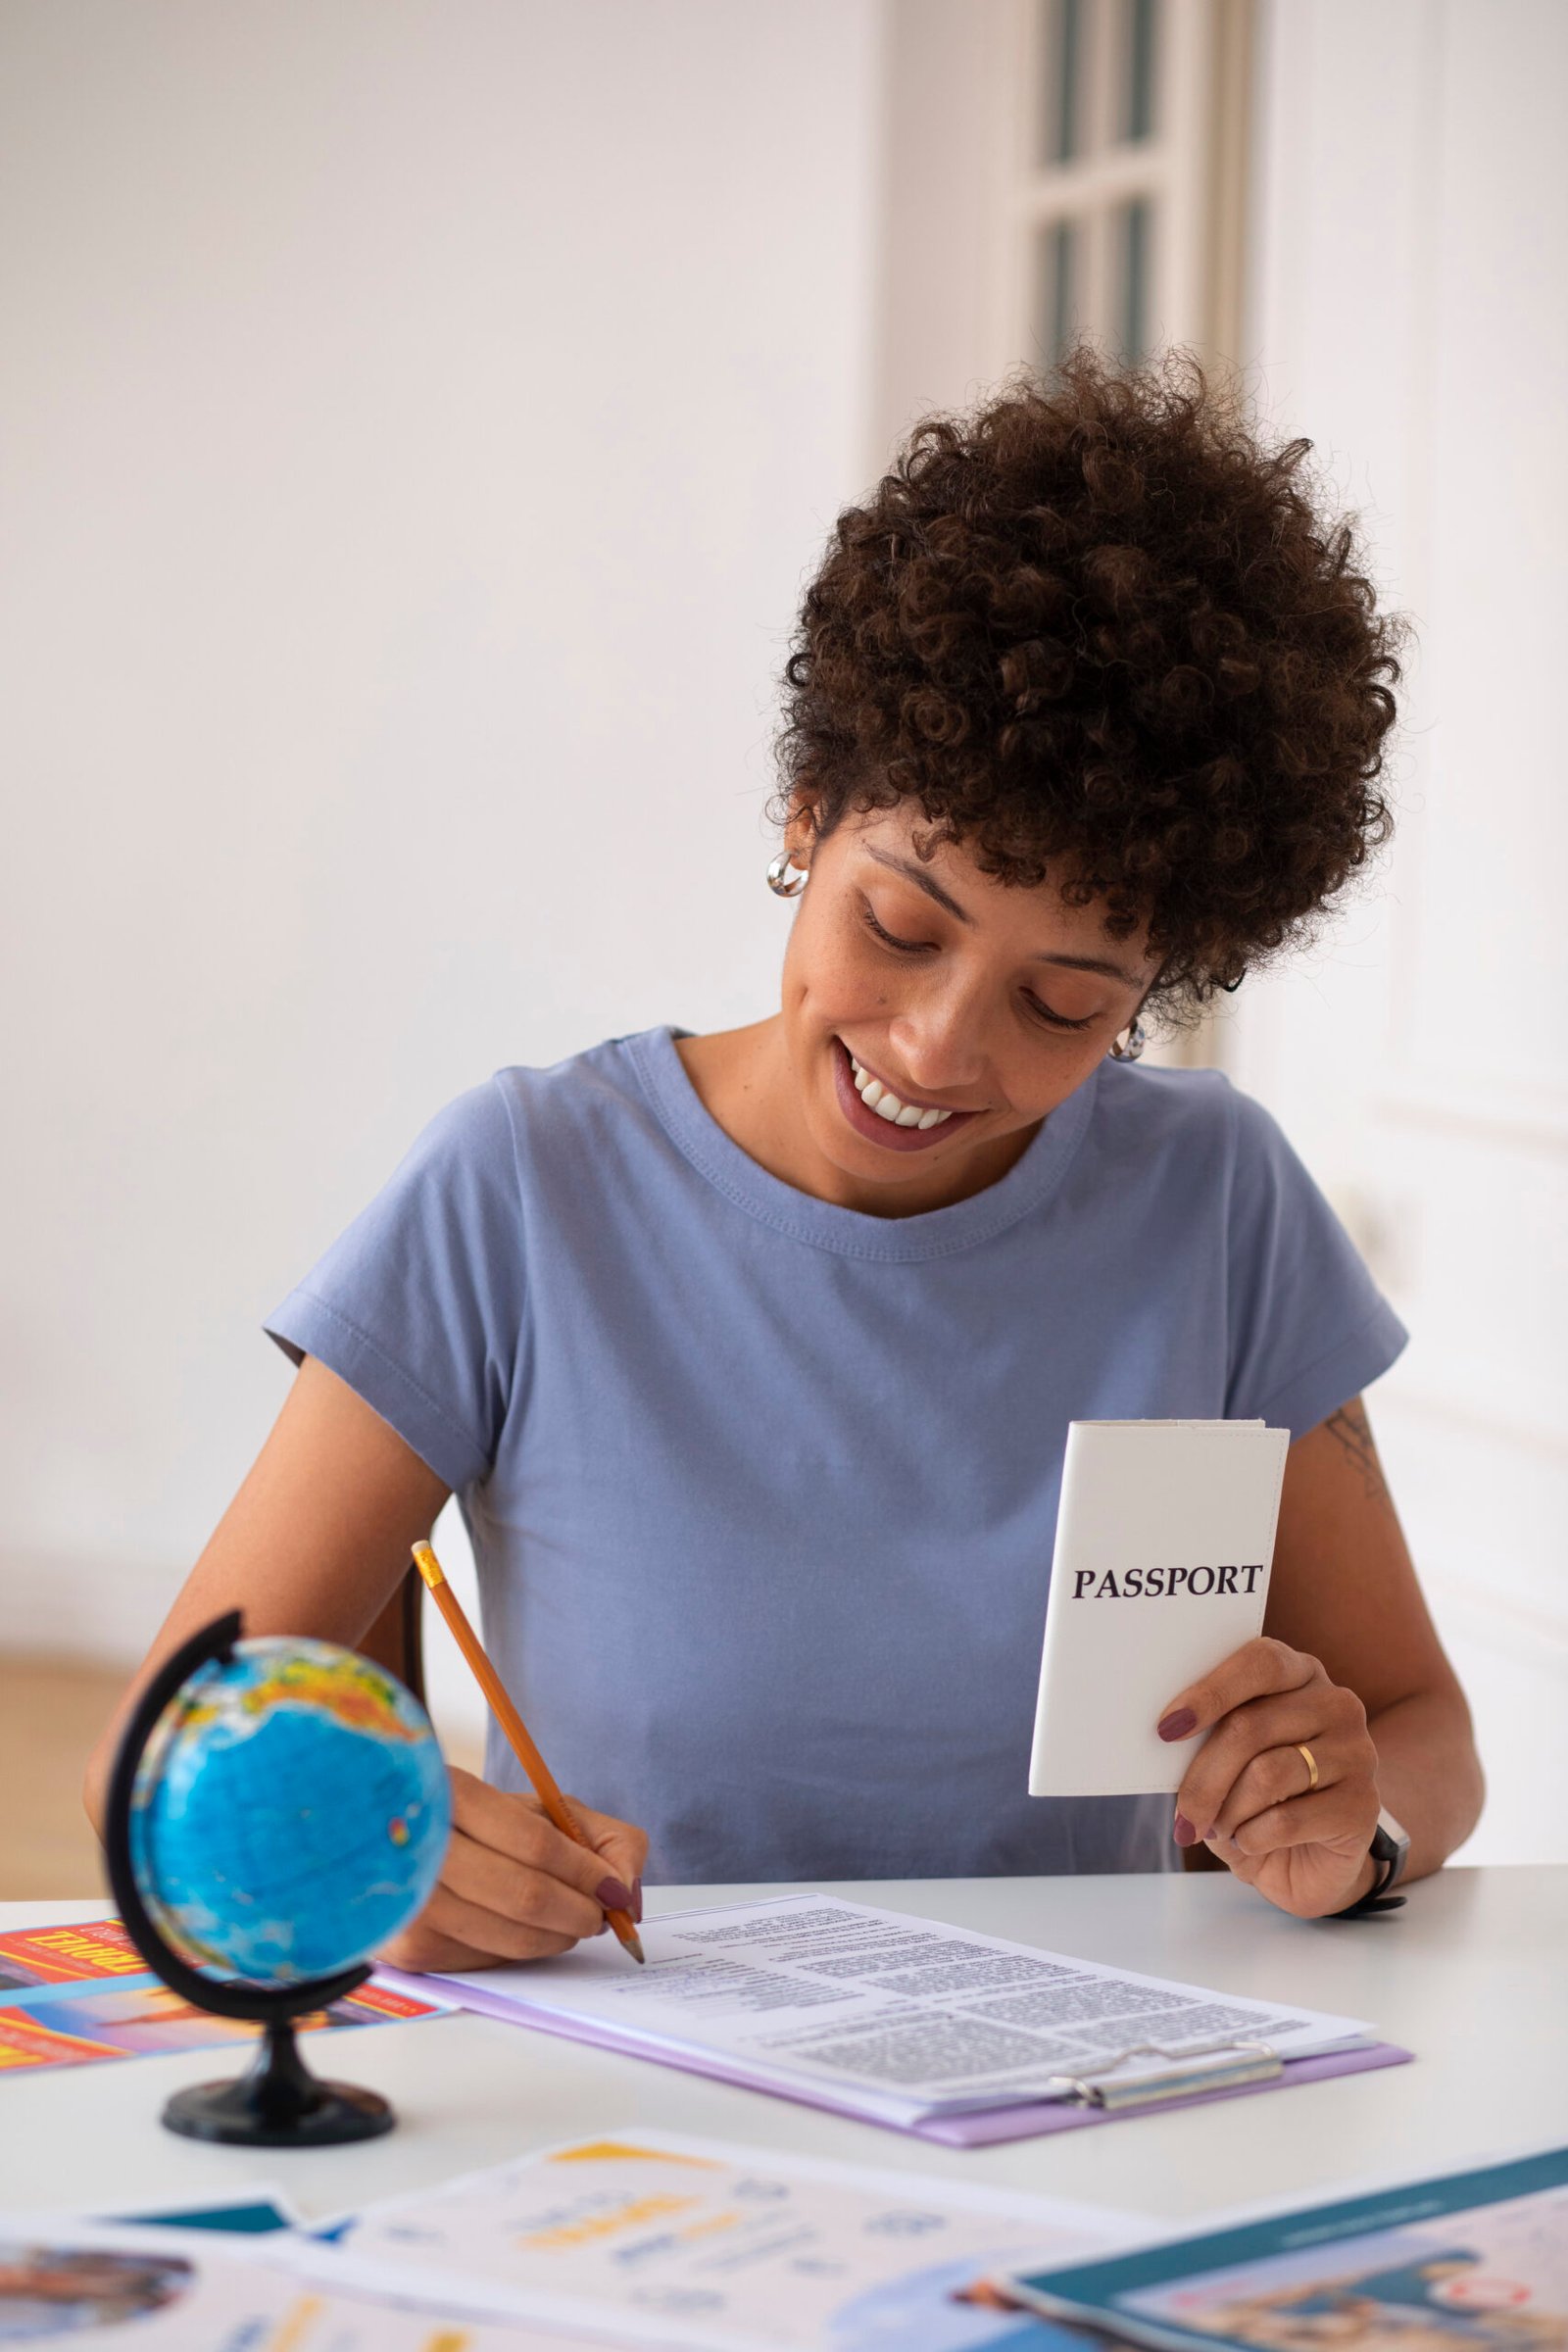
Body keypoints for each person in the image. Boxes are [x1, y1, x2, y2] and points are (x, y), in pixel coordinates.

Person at [85, 351, 1483, 1970]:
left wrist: (1355, 1821)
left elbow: (1421, 1728)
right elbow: (159, 1762)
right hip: (629, 2106)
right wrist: (388, 1863)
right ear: (808, 814)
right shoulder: (523, 1185)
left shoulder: (1218, 1203)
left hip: (1088, 2101)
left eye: (1062, 1001)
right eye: (899, 924)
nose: (941, 1047)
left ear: (1157, 985)